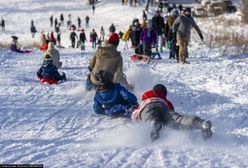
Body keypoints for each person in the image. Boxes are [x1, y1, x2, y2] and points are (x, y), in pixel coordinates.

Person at [131, 84, 213, 141]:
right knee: (178, 119)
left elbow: (138, 112)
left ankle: (154, 123)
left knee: (149, 116)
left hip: (148, 107)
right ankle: (201, 123)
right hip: (164, 108)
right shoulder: (166, 101)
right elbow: (172, 112)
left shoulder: (145, 97)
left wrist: (135, 117)